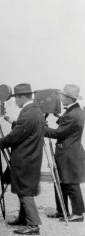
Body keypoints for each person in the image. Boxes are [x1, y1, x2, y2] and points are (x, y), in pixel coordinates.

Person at [0, 83, 45, 235]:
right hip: (31, 156)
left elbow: (16, 136)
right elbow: (26, 129)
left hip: (25, 158)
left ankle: (33, 225)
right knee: (24, 188)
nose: (15, 101)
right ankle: (24, 218)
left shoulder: (28, 113)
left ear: (22, 97)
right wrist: (13, 123)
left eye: (16, 98)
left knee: (24, 191)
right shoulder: (35, 111)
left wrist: (0, 141)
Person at [45, 84, 85, 222]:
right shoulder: (74, 111)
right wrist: (59, 116)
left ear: (69, 98)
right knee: (61, 182)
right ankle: (61, 210)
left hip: (69, 154)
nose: (60, 98)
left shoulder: (73, 114)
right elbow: (66, 123)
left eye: (62, 96)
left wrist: (42, 128)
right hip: (67, 152)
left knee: (71, 183)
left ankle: (78, 213)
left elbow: (58, 132)